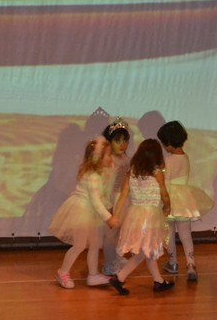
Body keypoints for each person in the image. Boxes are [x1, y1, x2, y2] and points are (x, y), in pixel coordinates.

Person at [49, 137, 119, 289]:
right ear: (98, 158)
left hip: (91, 212)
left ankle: (93, 275)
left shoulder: (100, 173)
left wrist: (112, 172)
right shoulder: (92, 176)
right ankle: (62, 272)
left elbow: (104, 194)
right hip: (82, 211)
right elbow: (95, 200)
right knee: (79, 245)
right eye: (108, 155)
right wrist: (108, 218)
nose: (111, 158)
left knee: (95, 244)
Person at [108, 139, 175, 295]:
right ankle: (120, 277)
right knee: (144, 251)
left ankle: (158, 281)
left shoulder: (132, 173)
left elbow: (123, 195)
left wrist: (116, 215)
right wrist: (167, 206)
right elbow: (164, 194)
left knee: (148, 250)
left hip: (135, 216)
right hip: (150, 217)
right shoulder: (157, 174)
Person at [157, 120, 213, 282]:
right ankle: (190, 263)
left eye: (163, 143)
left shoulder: (168, 161)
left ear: (168, 142)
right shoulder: (185, 157)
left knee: (169, 233)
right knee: (186, 235)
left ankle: (173, 263)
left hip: (171, 200)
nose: (163, 146)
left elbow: (165, 182)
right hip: (185, 200)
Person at [100, 117, 132, 277]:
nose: (122, 144)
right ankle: (109, 263)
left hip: (123, 198)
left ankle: (116, 257)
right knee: (110, 234)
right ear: (109, 142)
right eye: (117, 141)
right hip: (112, 198)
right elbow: (105, 184)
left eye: (125, 141)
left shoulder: (125, 158)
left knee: (119, 232)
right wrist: (108, 204)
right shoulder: (109, 160)